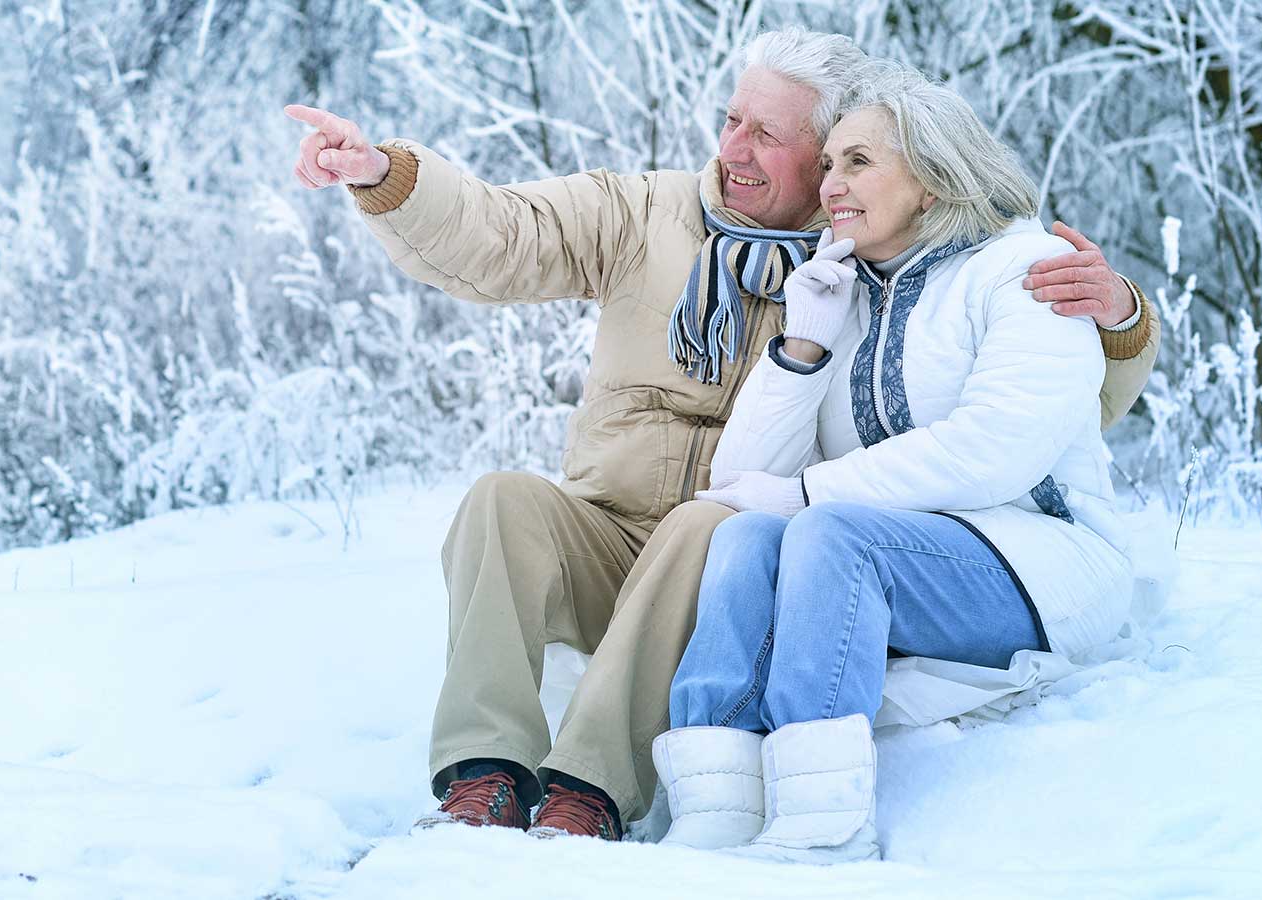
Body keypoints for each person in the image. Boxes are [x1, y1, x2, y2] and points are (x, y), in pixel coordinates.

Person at [286, 27, 1159, 840]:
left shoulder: (873, 260)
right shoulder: (643, 215)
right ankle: (484, 775)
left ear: (830, 158)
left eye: (767, 136)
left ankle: (590, 789)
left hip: (736, 567)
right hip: (614, 533)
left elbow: (1042, 407)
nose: (733, 150)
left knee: (715, 521)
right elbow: (502, 234)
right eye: (730, 121)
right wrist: (385, 175)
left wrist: (1117, 317)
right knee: (501, 501)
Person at [651, 61, 1139, 862]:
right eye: (830, 160)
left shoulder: (1024, 271)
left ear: (936, 182)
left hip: (1044, 564)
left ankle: (823, 822)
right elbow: (741, 487)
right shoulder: (850, 291)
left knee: (827, 531)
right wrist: (803, 341)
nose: (829, 183)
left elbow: (995, 447)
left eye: (858, 162)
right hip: (898, 562)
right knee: (743, 540)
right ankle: (719, 804)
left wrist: (810, 491)